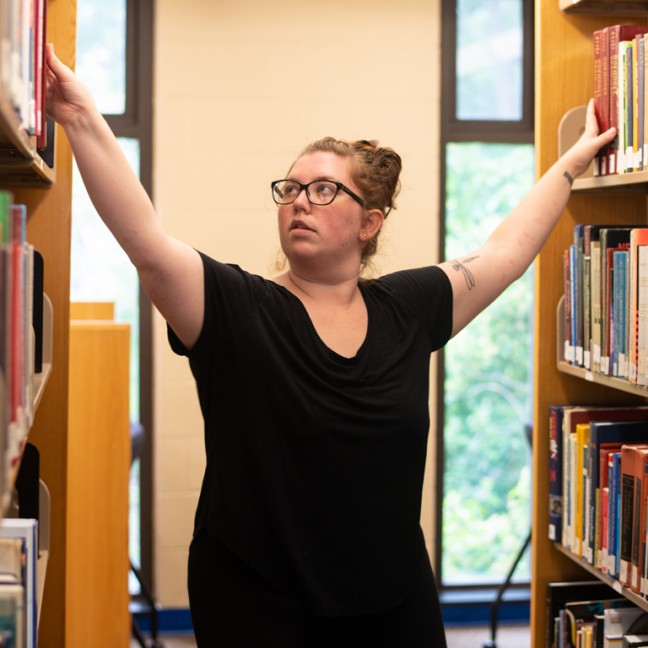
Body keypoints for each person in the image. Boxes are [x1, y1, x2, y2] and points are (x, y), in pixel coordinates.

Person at [44, 42, 616, 647]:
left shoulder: (408, 309)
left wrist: (573, 161)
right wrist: (80, 116)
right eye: (290, 188)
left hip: (393, 598)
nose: (298, 200)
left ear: (369, 223)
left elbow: (505, 253)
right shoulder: (238, 309)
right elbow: (148, 244)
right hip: (257, 603)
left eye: (322, 191)